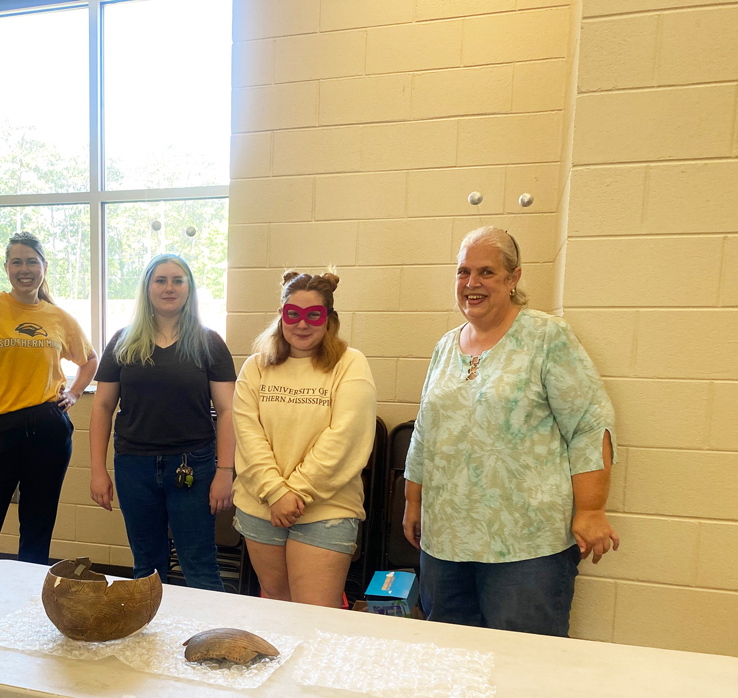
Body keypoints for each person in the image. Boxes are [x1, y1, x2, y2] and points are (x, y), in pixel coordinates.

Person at [402, 226, 619, 635]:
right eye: (463, 272)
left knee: (526, 669)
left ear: (513, 277)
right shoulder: (446, 346)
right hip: (446, 542)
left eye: (486, 272)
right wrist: (415, 503)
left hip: (528, 549)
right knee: (451, 666)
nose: (472, 284)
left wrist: (591, 508)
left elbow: (591, 422)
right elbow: (425, 432)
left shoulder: (546, 337)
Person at [0, 232, 97, 576]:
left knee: (37, 529)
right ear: (6, 268)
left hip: (48, 431)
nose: (25, 269)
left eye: (32, 261)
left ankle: (28, 614)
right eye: (17, 261)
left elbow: (90, 359)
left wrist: (73, 392)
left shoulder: (58, 317)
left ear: (44, 267)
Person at [89, 253, 236, 591]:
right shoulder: (123, 341)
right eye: (161, 280)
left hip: (193, 468)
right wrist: (97, 470)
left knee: (199, 564)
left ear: (189, 289)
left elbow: (228, 412)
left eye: (177, 280)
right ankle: (150, 642)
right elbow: (102, 408)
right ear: (148, 288)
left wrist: (224, 472)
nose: (169, 287)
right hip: (133, 468)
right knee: (146, 566)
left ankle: (211, 641)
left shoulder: (208, 342)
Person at [232, 270, 376, 607]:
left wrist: (295, 493)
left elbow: (345, 438)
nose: (302, 324)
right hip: (262, 506)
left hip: (325, 510)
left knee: (315, 619)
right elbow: (248, 436)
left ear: (329, 319)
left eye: (314, 315)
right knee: (278, 612)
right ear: (281, 317)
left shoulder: (350, 364)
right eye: (292, 314)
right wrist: (276, 492)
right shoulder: (255, 367)